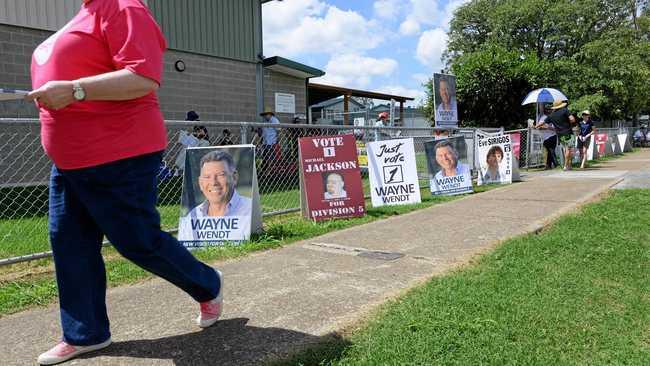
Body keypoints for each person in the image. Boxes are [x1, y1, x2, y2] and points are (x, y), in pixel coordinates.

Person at [26, 1, 222, 364]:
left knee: (138, 241)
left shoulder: (122, 7)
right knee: (70, 246)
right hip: (69, 163)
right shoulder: (82, 15)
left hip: (119, 154)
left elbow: (142, 76)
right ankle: (86, 334)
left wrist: (73, 89)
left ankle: (208, 284)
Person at [185, 150, 252, 218]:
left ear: (234, 178)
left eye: (221, 175)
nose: (213, 182)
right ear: (200, 183)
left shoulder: (250, 210)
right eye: (207, 177)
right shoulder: (192, 217)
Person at [547, 100, 574, 170]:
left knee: (566, 149)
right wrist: (569, 122)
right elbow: (572, 119)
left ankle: (569, 165)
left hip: (559, 134)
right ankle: (566, 166)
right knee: (568, 149)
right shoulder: (565, 110)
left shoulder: (551, 115)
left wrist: (536, 126)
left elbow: (544, 123)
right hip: (568, 132)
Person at [534, 104, 558, 169]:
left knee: (551, 150)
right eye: (548, 109)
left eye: (550, 109)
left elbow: (556, 128)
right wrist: (546, 127)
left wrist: (548, 127)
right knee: (550, 151)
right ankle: (550, 165)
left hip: (553, 136)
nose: (549, 110)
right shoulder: (543, 118)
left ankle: (553, 165)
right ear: (546, 110)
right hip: (545, 137)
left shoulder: (553, 117)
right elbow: (539, 127)